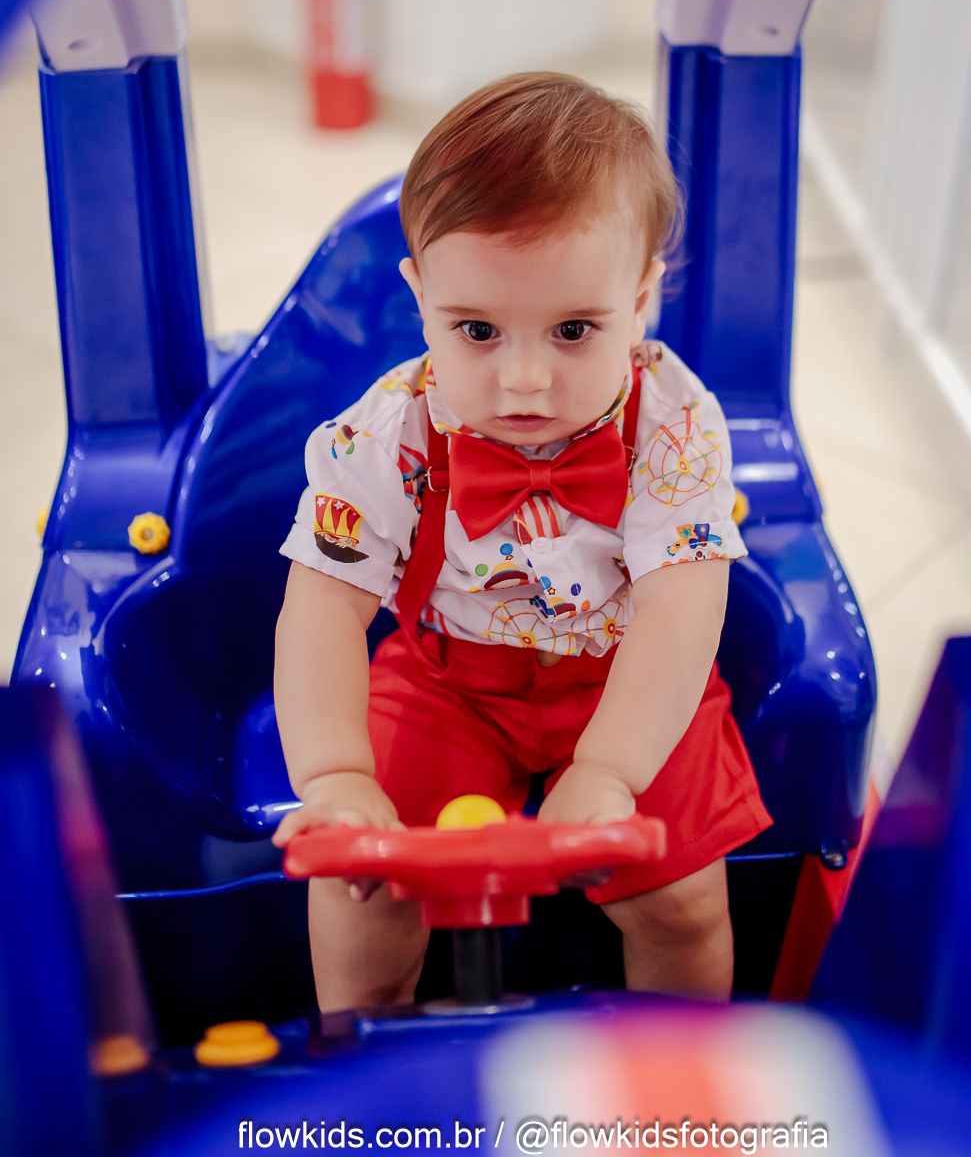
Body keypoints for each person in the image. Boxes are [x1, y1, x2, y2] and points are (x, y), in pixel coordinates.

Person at [272, 72, 771, 1008]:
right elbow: (322, 610)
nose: (525, 380)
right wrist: (334, 774)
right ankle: (361, 1049)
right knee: (361, 878)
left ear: (641, 297)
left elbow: (680, 609)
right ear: (421, 295)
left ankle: (672, 1075)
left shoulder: (673, 423)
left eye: (574, 329)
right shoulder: (386, 433)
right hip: (450, 679)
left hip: (629, 673)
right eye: (478, 330)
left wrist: (610, 768)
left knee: (682, 901)